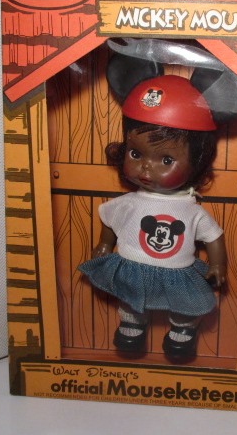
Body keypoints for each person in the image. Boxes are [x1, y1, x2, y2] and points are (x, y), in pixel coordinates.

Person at [78, 51, 227, 359]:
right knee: (131, 299)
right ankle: (131, 326)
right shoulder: (130, 202)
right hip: (132, 268)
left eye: (166, 160)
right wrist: (105, 245)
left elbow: (213, 236)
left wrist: (217, 265)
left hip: (178, 274)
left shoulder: (190, 209)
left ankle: (182, 332)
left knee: (185, 306)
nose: (146, 168)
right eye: (136, 154)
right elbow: (110, 219)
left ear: (197, 161)